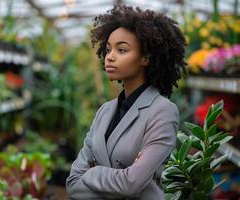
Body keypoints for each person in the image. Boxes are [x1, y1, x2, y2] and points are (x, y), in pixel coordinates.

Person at [66, 5, 186, 200]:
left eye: (122, 50)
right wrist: (120, 180)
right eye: (108, 49)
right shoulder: (105, 110)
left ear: (145, 58)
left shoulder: (162, 111)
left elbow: (131, 184)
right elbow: (72, 184)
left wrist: (93, 173)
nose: (110, 57)